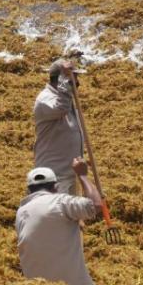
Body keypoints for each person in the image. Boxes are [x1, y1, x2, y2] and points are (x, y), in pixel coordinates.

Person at [15, 157, 103, 285]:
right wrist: (83, 175)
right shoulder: (60, 202)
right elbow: (95, 205)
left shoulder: (21, 213)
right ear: (56, 187)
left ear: (29, 191)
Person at [33, 58, 86, 194]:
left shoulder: (65, 98)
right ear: (60, 80)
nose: (77, 83)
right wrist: (65, 80)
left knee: (72, 214)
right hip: (54, 176)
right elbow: (61, 108)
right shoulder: (45, 99)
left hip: (69, 174)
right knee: (59, 214)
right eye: (73, 79)